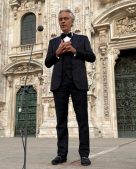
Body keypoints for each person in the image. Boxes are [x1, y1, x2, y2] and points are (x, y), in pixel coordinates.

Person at [45, 9, 96, 166]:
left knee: (82, 120)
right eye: (60, 19)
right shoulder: (53, 43)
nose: (63, 21)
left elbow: (92, 57)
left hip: (78, 83)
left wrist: (75, 51)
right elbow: (48, 63)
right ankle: (61, 154)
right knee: (61, 121)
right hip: (59, 84)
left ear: (72, 21)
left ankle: (84, 154)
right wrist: (58, 53)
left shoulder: (82, 39)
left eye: (66, 18)